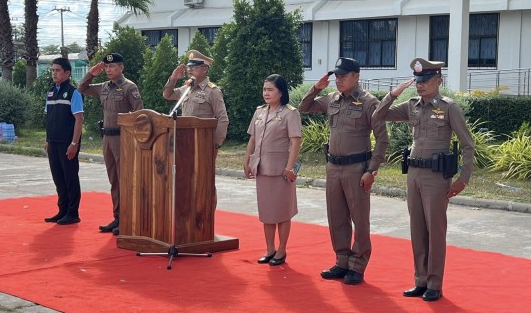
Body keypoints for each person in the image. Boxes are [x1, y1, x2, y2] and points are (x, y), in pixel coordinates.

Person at [372, 58, 475, 302]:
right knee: (417, 229)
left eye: (425, 80)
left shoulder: (449, 108)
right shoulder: (411, 106)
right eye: (418, 80)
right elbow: (378, 115)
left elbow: (468, 145)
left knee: (435, 231)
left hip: (436, 177)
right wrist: (393, 94)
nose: (420, 84)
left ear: (438, 81)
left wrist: (463, 178)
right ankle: (420, 280)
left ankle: (434, 283)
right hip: (414, 174)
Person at [299, 57, 388, 285]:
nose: (338, 80)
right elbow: (304, 107)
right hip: (333, 167)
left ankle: (358, 265)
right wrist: (316, 88)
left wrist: (372, 170)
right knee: (336, 217)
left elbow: (382, 140)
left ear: (356, 76)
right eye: (337, 76)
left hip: (357, 168)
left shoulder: (369, 102)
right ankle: (342, 261)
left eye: (343, 76)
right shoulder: (332, 98)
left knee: (360, 219)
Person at [78, 53, 144, 235]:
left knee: (125, 180)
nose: (108, 69)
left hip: (123, 139)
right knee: (114, 180)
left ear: (121, 68)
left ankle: (129, 220)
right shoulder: (104, 87)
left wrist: (135, 138)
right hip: (107, 138)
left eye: (112, 66)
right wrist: (91, 74)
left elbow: (139, 114)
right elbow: (82, 88)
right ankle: (118, 217)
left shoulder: (130, 87)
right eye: (106, 67)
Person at [243, 74, 302, 266]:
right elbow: (252, 138)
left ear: (281, 92)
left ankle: (282, 250)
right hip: (262, 168)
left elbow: (295, 142)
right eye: (264, 89)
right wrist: (247, 160)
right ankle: (270, 249)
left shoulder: (290, 113)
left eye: (270, 90)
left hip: (281, 171)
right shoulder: (260, 111)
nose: (266, 93)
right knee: (267, 212)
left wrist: (290, 167)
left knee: (282, 212)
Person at [44, 57, 84, 225]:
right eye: (53, 70)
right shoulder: (51, 92)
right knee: (58, 178)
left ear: (67, 73)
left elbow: (79, 119)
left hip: (67, 143)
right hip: (53, 142)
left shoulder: (74, 92)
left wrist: (74, 143)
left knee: (70, 178)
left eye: (58, 70)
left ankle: (73, 213)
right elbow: (49, 118)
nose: (54, 73)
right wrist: (47, 139)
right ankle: (62, 210)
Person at [163, 49, 229, 150]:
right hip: (184, 140)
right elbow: (167, 95)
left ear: (204, 69)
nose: (190, 69)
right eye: (189, 66)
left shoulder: (213, 91)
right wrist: (173, 78)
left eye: (194, 67)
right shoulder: (186, 88)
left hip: (203, 141)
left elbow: (223, 118)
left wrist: (215, 143)